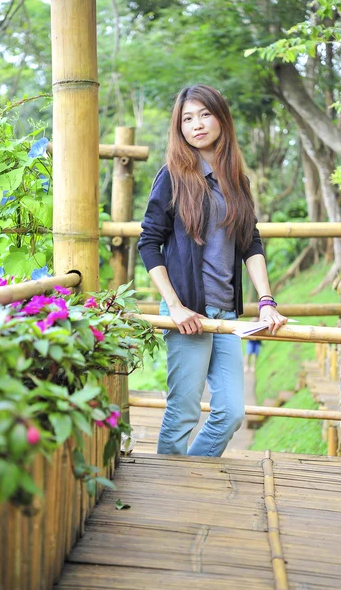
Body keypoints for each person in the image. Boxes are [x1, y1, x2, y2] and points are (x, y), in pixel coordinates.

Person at [137, 84, 287, 458]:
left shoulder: (237, 181)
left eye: (205, 114)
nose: (197, 124)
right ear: (179, 128)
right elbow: (148, 242)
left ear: (221, 118)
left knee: (231, 412)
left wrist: (266, 301)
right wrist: (174, 306)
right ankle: (173, 488)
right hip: (187, 313)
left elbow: (250, 243)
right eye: (187, 119)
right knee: (184, 411)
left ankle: (191, 476)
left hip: (227, 316)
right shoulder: (172, 176)